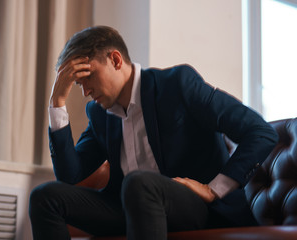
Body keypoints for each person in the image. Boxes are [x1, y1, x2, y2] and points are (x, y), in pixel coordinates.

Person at [29, 26, 278, 240]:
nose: (85, 92)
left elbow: (260, 132)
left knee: (139, 183)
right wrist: (57, 102)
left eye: (88, 76)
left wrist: (213, 189)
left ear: (115, 60)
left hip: (197, 208)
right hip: (130, 207)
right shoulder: (99, 113)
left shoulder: (177, 84)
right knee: (45, 196)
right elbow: (70, 176)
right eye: (78, 84)